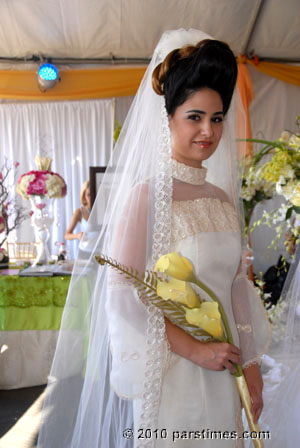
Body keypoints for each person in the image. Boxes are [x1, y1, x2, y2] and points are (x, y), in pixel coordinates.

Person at [38, 29, 270, 448]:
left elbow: (237, 287)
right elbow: (121, 291)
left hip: (225, 371)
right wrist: (195, 350)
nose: (208, 131)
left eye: (216, 119)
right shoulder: (145, 196)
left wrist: (251, 368)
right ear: (168, 120)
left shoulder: (221, 199)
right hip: (174, 373)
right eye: (194, 117)